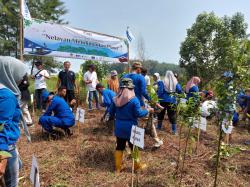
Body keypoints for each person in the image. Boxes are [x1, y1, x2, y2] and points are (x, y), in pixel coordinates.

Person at [109, 78, 154, 173]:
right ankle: (137, 166)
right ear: (131, 88)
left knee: (119, 146)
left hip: (119, 126)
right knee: (134, 147)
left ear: (121, 88)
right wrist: (147, 110)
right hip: (131, 127)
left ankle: (118, 168)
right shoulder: (134, 100)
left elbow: (111, 113)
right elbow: (139, 114)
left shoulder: (115, 100)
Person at [0, 56, 27, 187]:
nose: (22, 79)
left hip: (7, 145)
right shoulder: (6, 95)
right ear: (10, 72)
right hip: (6, 147)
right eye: (20, 74)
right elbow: (2, 127)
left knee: (18, 164)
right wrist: (3, 157)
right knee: (12, 183)